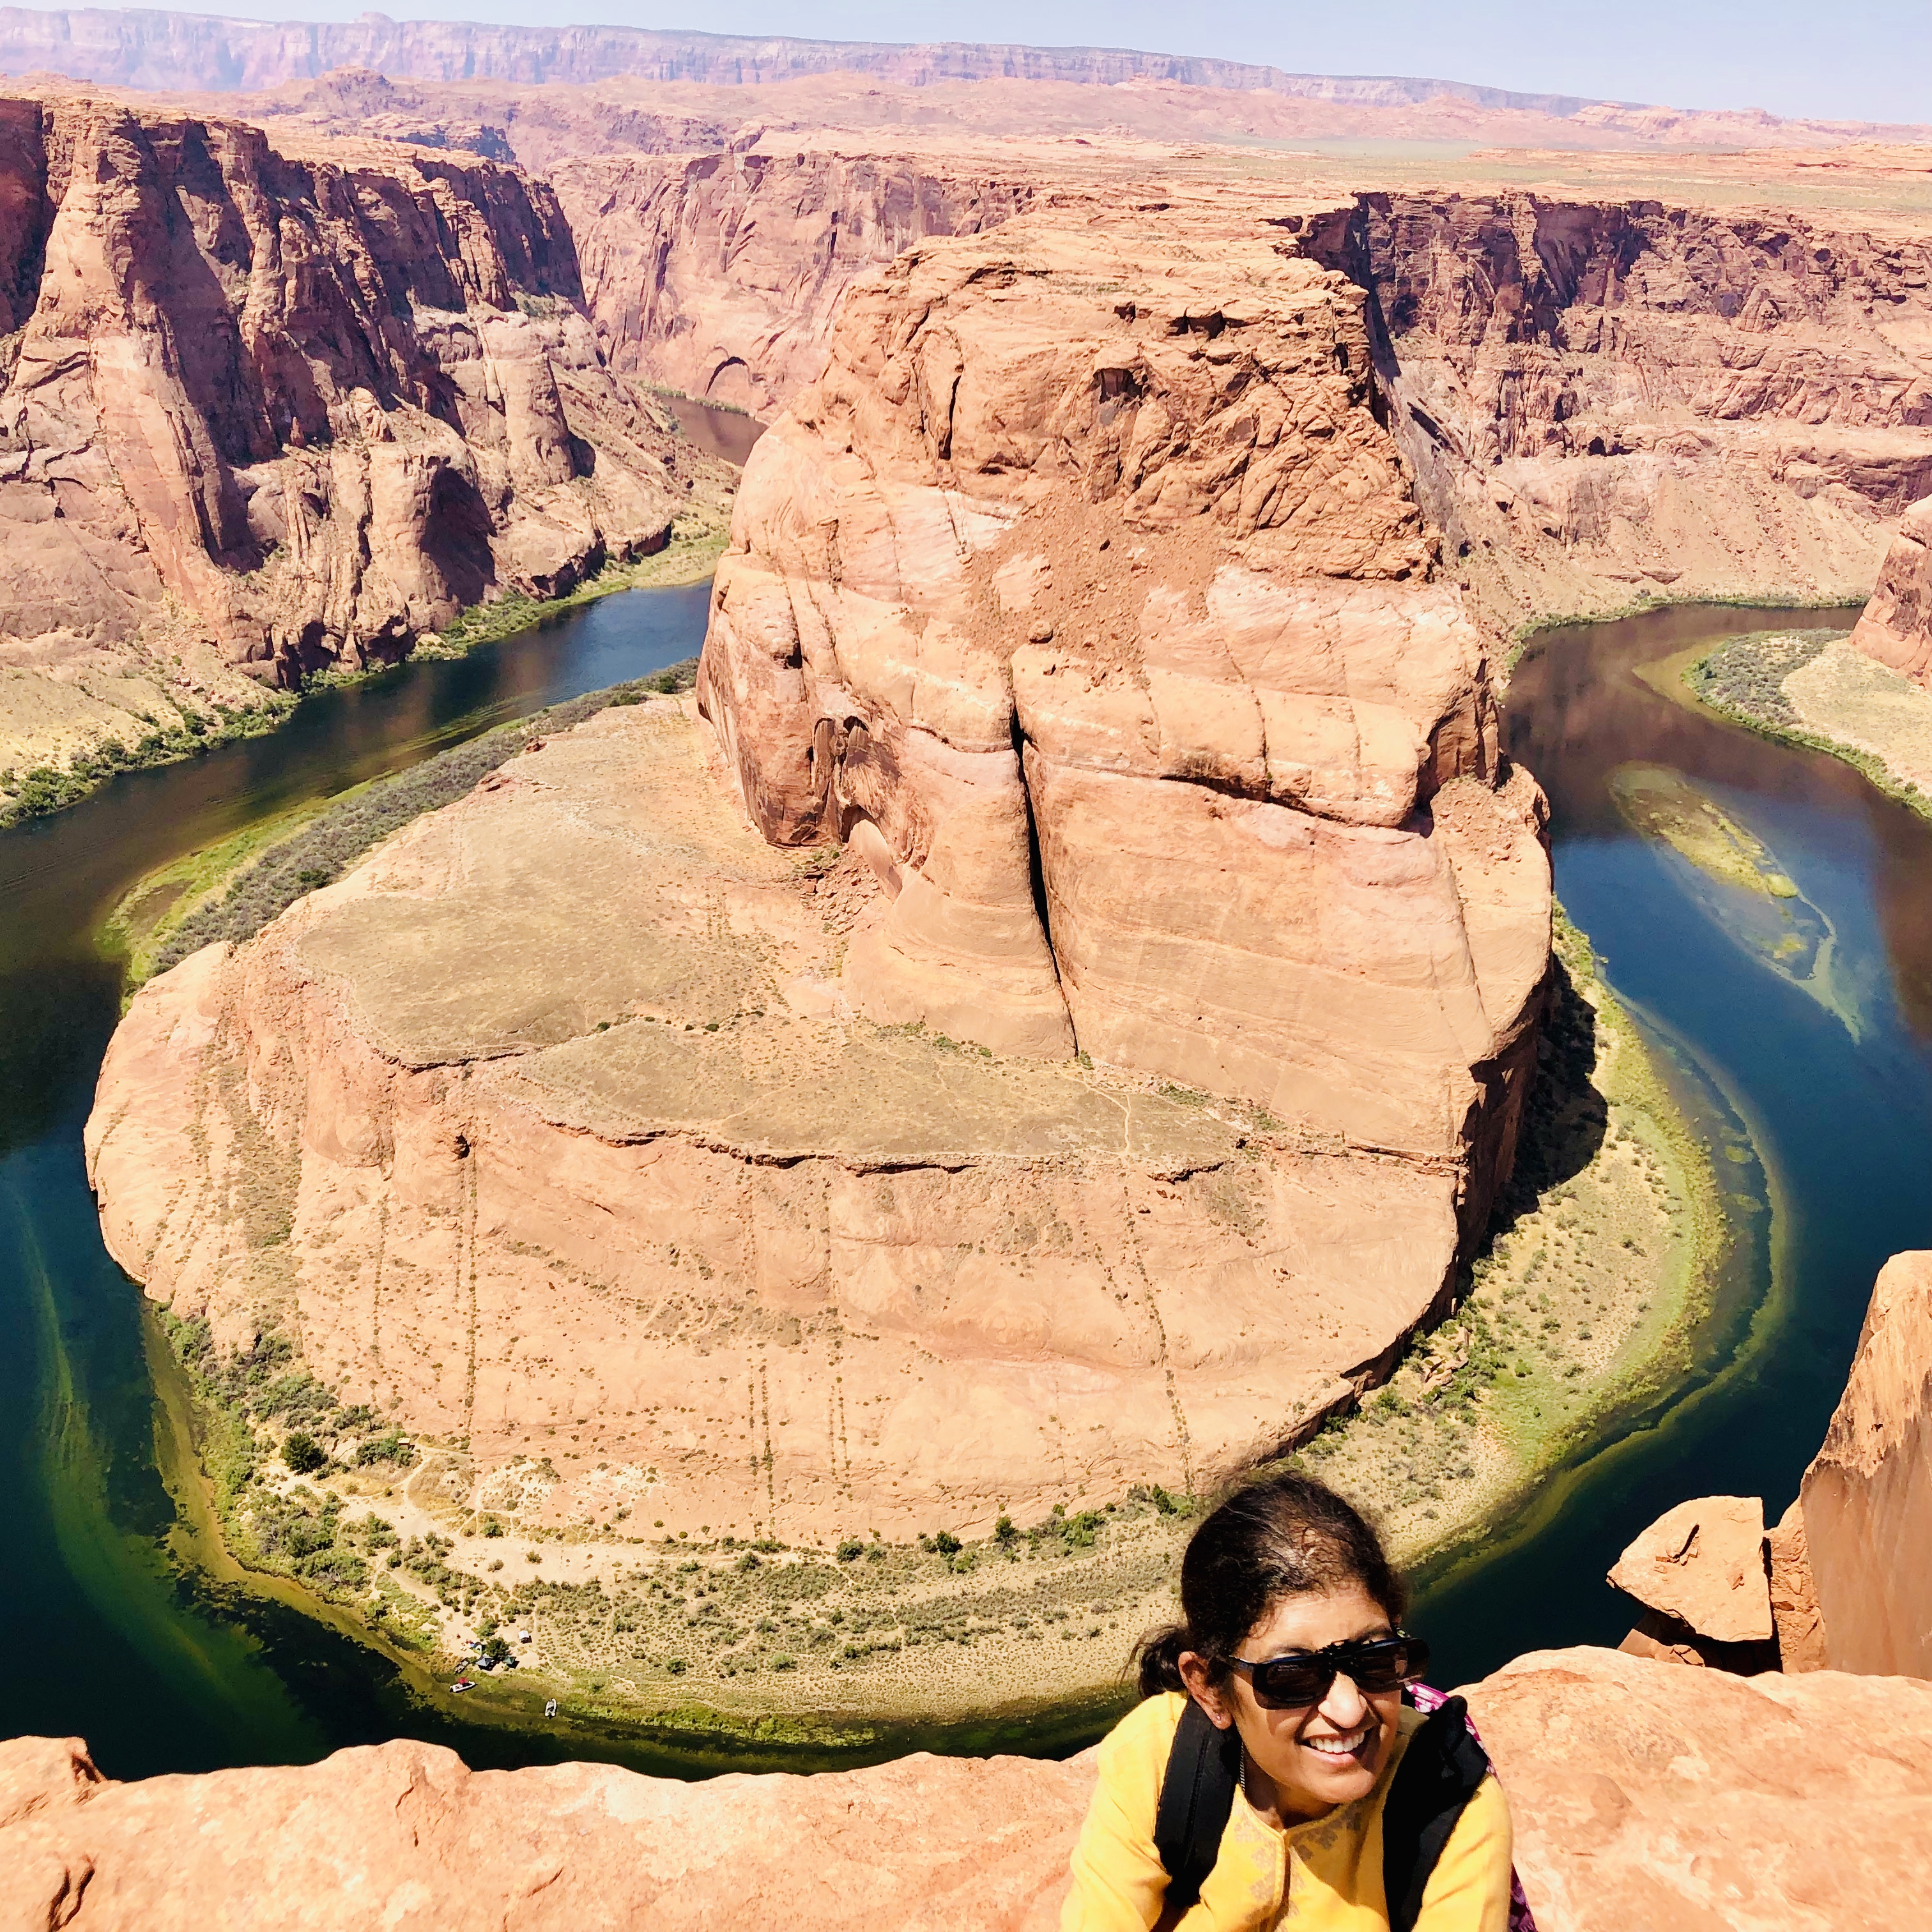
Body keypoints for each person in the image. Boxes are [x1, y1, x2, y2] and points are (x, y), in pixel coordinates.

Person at [1061, 1471, 1514, 1931]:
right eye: (1292, 1677)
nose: (1349, 1710)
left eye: (1374, 1659)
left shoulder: (1449, 1804)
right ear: (1209, 1688)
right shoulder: (1159, 1762)